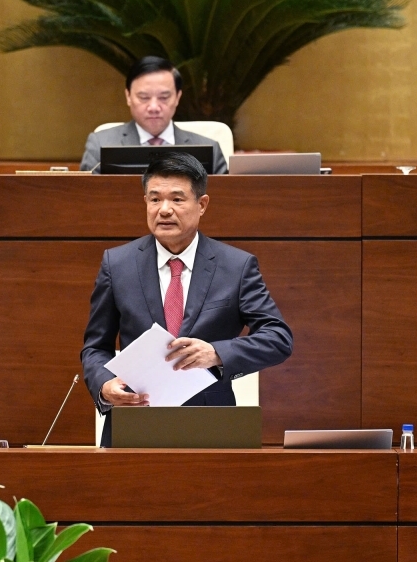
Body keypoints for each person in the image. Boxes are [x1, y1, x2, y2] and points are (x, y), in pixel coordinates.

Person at [81, 152, 292, 447]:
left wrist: (216, 353)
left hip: (211, 424)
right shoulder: (117, 265)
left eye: (177, 199)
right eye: (155, 199)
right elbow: (95, 347)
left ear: (202, 205)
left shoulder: (236, 266)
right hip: (135, 421)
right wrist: (104, 383)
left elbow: (278, 338)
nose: (164, 210)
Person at [79, 56, 228, 174]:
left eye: (164, 97)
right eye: (144, 97)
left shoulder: (210, 149)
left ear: (177, 97)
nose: (154, 107)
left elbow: (225, 199)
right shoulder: (100, 144)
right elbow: (85, 197)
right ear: (128, 96)